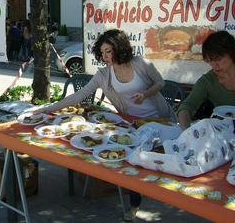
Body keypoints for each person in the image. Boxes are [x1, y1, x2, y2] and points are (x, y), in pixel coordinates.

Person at [34, 28, 177, 221]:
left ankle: (169, 195)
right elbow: (79, 95)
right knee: (132, 159)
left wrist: (145, 94)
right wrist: (48, 108)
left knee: (165, 160)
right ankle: (134, 203)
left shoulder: (141, 63)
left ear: (120, 48)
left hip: (160, 119)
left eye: (108, 51)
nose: (105, 56)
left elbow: (159, 83)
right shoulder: (104, 74)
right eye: (102, 52)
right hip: (132, 124)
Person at [177, 30, 235, 130]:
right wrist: (186, 130)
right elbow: (186, 106)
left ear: (232, 53)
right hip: (226, 133)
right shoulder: (208, 81)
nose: (214, 65)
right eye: (209, 61)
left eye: (218, 59)